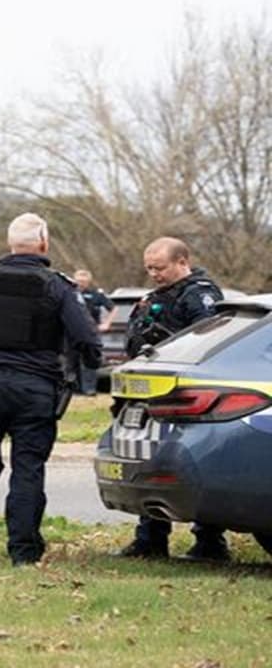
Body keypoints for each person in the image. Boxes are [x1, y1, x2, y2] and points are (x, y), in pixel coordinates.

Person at [0, 213, 102, 566]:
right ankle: (24, 552)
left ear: (9, 243)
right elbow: (86, 338)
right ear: (44, 244)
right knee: (28, 467)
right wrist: (87, 368)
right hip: (36, 389)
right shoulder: (57, 286)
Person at [117, 237, 229, 562]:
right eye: (149, 268)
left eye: (160, 267)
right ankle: (151, 539)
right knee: (152, 466)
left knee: (199, 465)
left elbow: (208, 343)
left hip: (191, 395)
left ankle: (210, 542)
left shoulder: (201, 295)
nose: (154, 274)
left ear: (182, 262)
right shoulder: (154, 297)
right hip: (152, 394)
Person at [73, 269, 114, 395]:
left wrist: (107, 323)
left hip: (91, 331)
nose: (81, 284)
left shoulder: (96, 295)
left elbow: (112, 308)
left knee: (89, 360)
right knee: (72, 360)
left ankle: (89, 389)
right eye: (79, 281)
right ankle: (75, 389)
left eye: (84, 281)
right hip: (72, 331)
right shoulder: (69, 293)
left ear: (88, 282)